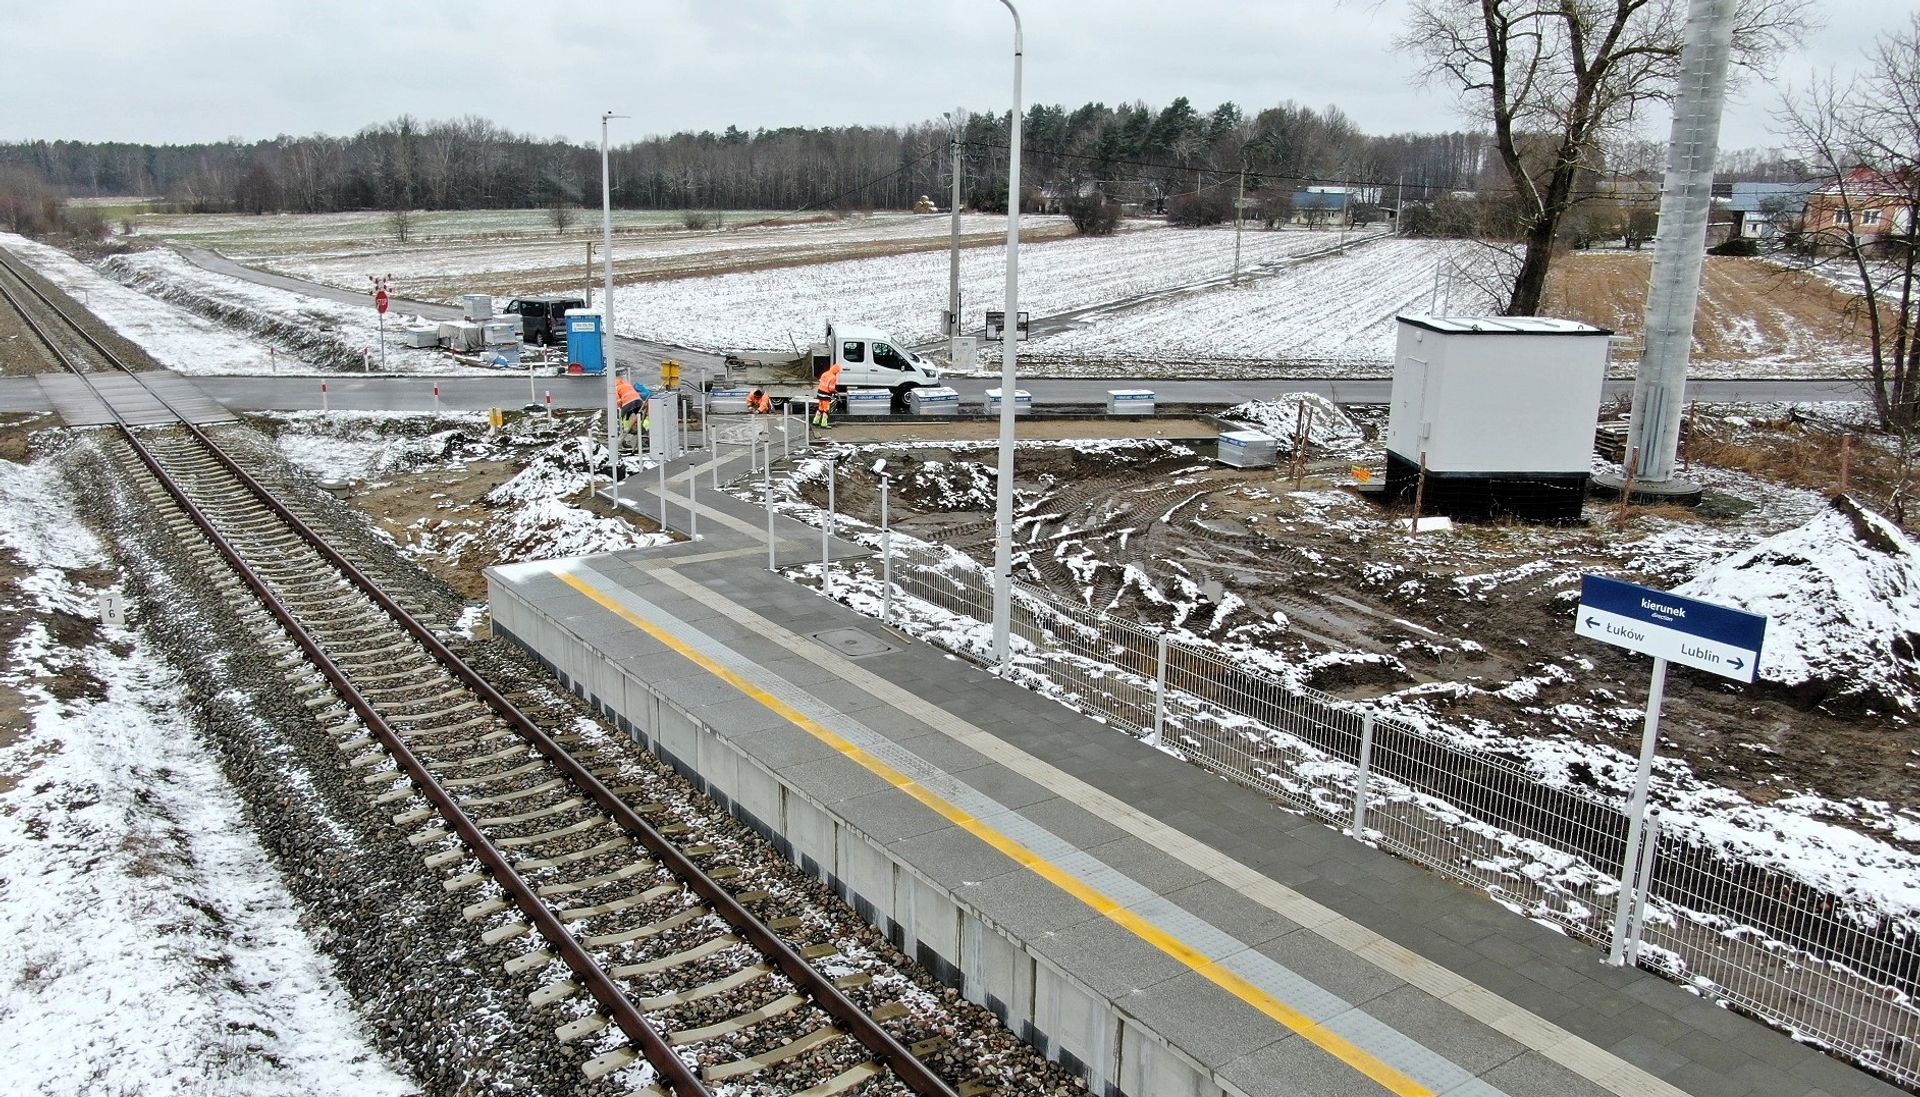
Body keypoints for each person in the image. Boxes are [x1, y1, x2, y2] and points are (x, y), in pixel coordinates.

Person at [814, 361, 841, 429]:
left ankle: (816, 421)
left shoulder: (825, 373)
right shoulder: (833, 377)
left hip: (820, 393)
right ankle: (824, 424)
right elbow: (831, 388)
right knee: (826, 410)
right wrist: (834, 391)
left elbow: (821, 382)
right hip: (825, 395)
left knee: (820, 408)